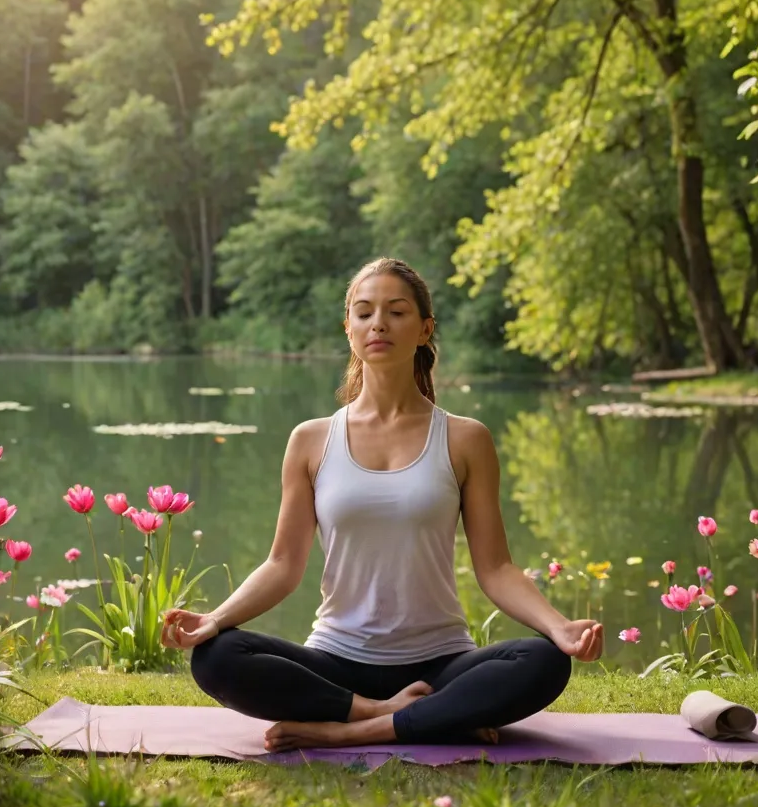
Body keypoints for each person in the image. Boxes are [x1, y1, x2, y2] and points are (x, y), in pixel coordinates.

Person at [162, 257, 604, 752]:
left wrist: (559, 626)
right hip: (336, 663)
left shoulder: (466, 439)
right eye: (364, 312)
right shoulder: (311, 440)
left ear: (424, 330)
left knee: (543, 662)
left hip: (441, 664)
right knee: (216, 657)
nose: (378, 324)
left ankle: (351, 732)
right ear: (348, 328)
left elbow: (496, 567)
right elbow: (283, 565)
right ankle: (397, 715)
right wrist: (215, 619)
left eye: (396, 312)